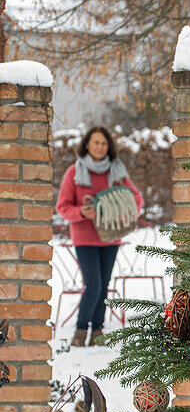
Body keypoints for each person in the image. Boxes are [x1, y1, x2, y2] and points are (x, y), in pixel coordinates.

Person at [56, 126, 143, 346]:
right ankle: (80, 330)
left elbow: (136, 199)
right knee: (93, 285)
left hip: (110, 237)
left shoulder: (116, 171)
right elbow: (63, 207)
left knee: (103, 285)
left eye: (103, 143)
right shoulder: (74, 172)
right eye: (95, 142)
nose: (99, 147)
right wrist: (81, 212)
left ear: (108, 147)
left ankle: (97, 331)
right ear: (87, 144)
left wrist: (121, 211)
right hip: (84, 237)